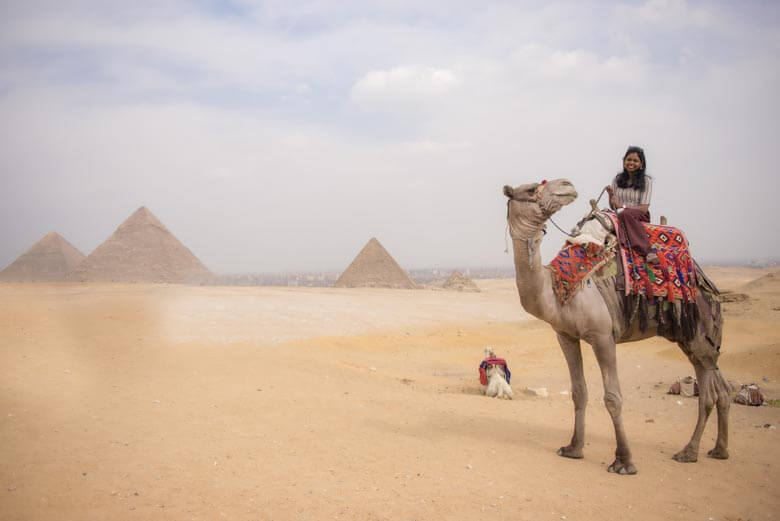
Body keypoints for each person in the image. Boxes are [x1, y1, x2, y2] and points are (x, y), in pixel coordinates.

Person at [605, 146, 657, 262]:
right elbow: (614, 206)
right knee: (602, 216)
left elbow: (643, 208)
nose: (631, 163)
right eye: (629, 160)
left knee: (625, 214)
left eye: (635, 160)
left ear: (641, 164)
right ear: (624, 161)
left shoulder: (646, 181)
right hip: (619, 213)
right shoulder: (617, 179)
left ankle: (647, 251)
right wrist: (610, 196)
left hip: (638, 214)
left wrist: (622, 207)